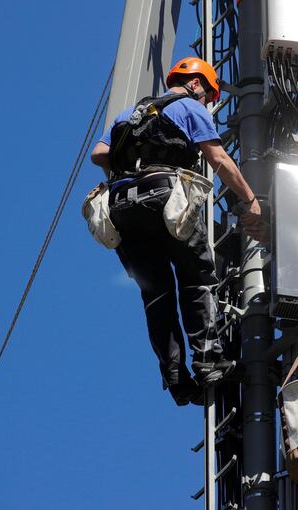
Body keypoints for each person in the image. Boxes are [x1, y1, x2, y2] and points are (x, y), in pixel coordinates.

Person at [90, 57, 263, 406]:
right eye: (208, 97)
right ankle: (209, 360)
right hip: (164, 197)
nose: (206, 104)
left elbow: (99, 154)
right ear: (197, 84)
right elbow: (219, 159)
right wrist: (250, 201)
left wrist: (129, 168)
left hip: (122, 207)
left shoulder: (130, 114)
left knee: (156, 294)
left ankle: (175, 377)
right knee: (197, 278)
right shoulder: (189, 107)